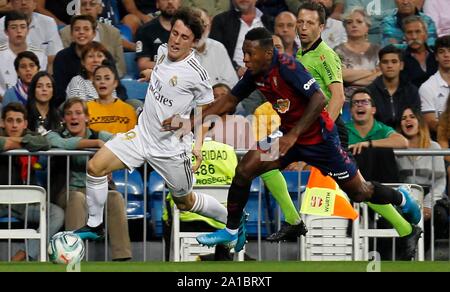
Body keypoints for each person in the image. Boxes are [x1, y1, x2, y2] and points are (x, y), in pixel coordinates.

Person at [191, 27, 422, 259]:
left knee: (360, 192)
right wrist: (191, 121)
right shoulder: (255, 73)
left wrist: (294, 135)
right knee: (244, 170)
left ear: (269, 53)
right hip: (287, 136)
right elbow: (230, 100)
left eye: (250, 53)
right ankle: (232, 230)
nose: (245, 58)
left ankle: (401, 197)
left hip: (320, 140)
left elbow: (320, 98)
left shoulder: (289, 67)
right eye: (244, 52)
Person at [72, 8, 230, 243]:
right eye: (174, 33)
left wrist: (197, 145)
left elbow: (206, 112)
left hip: (172, 150)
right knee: (95, 167)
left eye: (184, 37)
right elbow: (166, 73)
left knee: (185, 202)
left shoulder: (198, 74)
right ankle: (95, 225)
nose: (176, 40)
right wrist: (151, 72)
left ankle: (233, 221)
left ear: (194, 42)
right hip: (141, 136)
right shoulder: (163, 51)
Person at [46, 97, 132, 261]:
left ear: (87, 117)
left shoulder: (100, 134)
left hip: (95, 189)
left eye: (78, 113)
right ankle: (72, 257)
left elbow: (122, 143)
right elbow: (61, 144)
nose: (73, 117)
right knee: (78, 198)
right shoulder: (56, 135)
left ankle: (122, 258)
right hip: (68, 191)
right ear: (64, 119)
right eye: (69, 114)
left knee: (114, 197)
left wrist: (110, 162)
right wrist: (95, 143)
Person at [0, 102, 64, 261]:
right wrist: (21, 143)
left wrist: (14, 142)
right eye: (10, 120)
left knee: (56, 214)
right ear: (2, 122)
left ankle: (22, 255)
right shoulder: (26, 138)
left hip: (22, 204)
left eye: (18, 121)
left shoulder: (29, 135)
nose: (14, 125)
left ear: (25, 123)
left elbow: (44, 143)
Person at [397, 106, 448, 252]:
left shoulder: (434, 147)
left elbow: (440, 181)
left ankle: (425, 254)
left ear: (419, 122)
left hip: (429, 195)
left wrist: (427, 205)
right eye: (403, 118)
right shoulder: (397, 149)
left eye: (412, 116)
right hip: (405, 197)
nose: (407, 120)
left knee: (439, 216)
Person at [59, 0, 127, 75]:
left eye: (92, 4)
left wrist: (104, 79)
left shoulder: (113, 33)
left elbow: (120, 68)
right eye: (83, 4)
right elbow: (64, 65)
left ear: (100, 9)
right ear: (78, 9)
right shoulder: (65, 33)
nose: (87, 8)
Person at [367, 45, 421, 129]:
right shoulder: (369, 92)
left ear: (401, 65)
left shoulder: (411, 91)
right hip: (379, 138)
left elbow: (417, 121)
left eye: (394, 61)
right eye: (385, 62)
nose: (389, 65)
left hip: (406, 137)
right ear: (380, 66)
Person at [334, 7, 380, 99]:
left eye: (359, 22)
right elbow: (340, 75)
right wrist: (371, 72)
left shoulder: (377, 50)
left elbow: (380, 76)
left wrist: (351, 81)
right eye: (349, 22)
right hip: (346, 101)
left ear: (367, 26)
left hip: (374, 99)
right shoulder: (338, 50)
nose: (354, 25)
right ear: (345, 27)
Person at [346, 88, 408, 156]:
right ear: (351, 111)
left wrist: (369, 144)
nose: (360, 105)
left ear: (373, 110)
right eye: (355, 102)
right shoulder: (343, 130)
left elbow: (403, 142)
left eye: (365, 102)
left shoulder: (382, 129)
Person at [0, 11, 47, 99]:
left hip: (31, 104)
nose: (19, 31)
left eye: (22, 27)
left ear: (28, 30)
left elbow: (40, 84)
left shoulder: (40, 54)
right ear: (6, 31)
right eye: (14, 27)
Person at [87, 64, 137, 134]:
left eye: (107, 78)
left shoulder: (128, 110)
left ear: (115, 83)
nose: (102, 82)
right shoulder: (86, 109)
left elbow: (132, 137)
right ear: (93, 84)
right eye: (98, 79)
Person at [419, 35, 450, 139]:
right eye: (442, 52)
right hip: (439, 143)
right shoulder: (427, 87)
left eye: (449, 51)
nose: (446, 55)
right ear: (436, 57)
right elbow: (430, 121)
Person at [400, 15, 438, 89]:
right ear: (404, 36)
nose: (414, 37)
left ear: (426, 34)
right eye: (409, 32)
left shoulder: (437, 54)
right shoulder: (400, 58)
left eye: (418, 32)